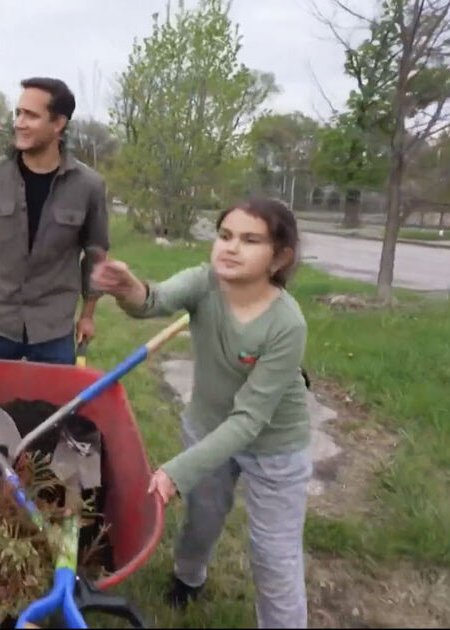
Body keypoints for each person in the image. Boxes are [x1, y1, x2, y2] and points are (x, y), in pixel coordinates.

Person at [91, 199, 312, 629]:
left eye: (250, 240)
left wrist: (177, 471)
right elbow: (151, 301)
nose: (231, 247)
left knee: (275, 555)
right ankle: (189, 578)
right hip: (207, 427)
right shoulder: (202, 283)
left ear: (280, 258)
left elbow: (249, 420)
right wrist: (128, 288)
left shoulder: (287, 324)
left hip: (276, 448)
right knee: (202, 520)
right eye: (225, 235)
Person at [0, 77, 109, 365]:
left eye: (31, 115)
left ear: (58, 123)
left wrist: (88, 315)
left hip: (54, 327)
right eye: (18, 113)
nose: (19, 123)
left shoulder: (88, 187)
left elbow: (96, 254)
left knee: (54, 396)